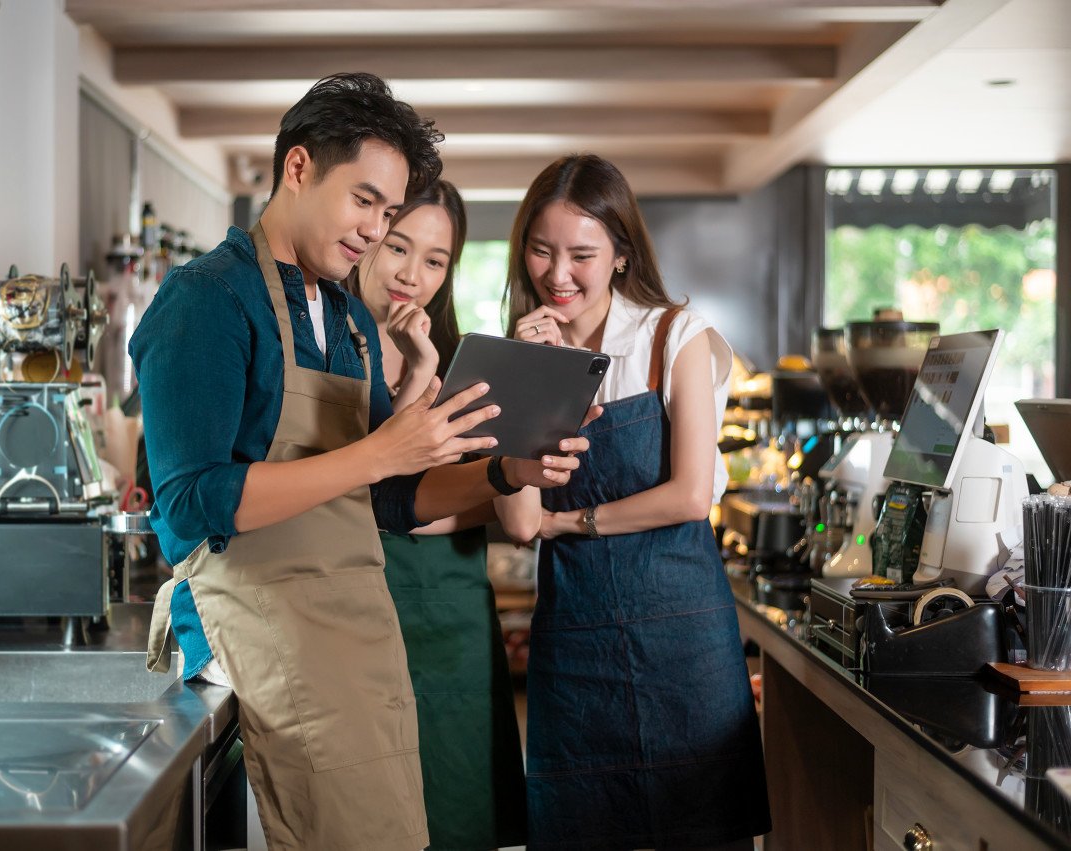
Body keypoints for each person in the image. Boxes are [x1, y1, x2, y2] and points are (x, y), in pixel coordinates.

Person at [128, 74, 590, 851]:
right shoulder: (208, 299)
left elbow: (389, 498)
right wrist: (380, 450)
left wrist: (508, 471)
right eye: (366, 201)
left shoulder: (341, 314)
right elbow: (191, 503)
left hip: (358, 640)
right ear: (300, 168)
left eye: (389, 210)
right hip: (267, 636)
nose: (376, 231)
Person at [505, 154, 771, 850]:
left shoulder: (673, 335)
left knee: (702, 831)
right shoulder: (526, 349)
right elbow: (521, 521)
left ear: (621, 255)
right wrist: (535, 380)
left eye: (582, 254)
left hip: (682, 640)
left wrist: (577, 521)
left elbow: (688, 495)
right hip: (575, 641)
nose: (558, 274)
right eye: (541, 250)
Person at [345, 178, 531, 850]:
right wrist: (418, 375)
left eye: (434, 260)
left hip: (453, 613)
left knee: (460, 814)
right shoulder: (327, 347)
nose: (411, 274)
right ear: (368, 235)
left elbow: (505, 504)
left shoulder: (462, 363)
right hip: (360, 614)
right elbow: (365, 491)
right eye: (399, 245)